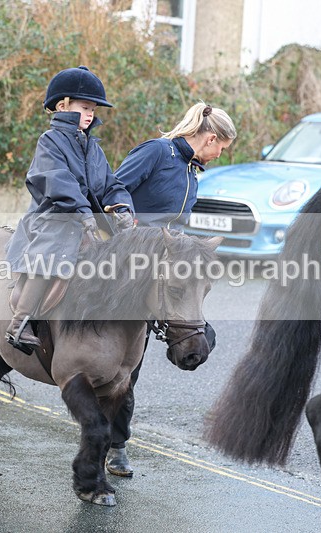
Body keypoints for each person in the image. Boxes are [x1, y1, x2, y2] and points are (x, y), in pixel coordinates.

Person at [105, 102, 237, 476]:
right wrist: (127, 221)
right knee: (121, 363)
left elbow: (175, 225)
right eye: (221, 148)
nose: (219, 155)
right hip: (126, 253)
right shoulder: (156, 152)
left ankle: (116, 446)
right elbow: (115, 185)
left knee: (134, 368)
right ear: (210, 138)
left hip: (159, 266)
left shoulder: (192, 171)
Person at [5, 66, 134, 355]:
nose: (90, 114)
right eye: (84, 107)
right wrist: (83, 212)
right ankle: (20, 322)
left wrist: (123, 206)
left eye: (93, 109)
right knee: (53, 251)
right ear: (63, 105)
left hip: (89, 219)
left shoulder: (93, 147)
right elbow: (56, 180)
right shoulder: (49, 141)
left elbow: (109, 184)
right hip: (55, 218)